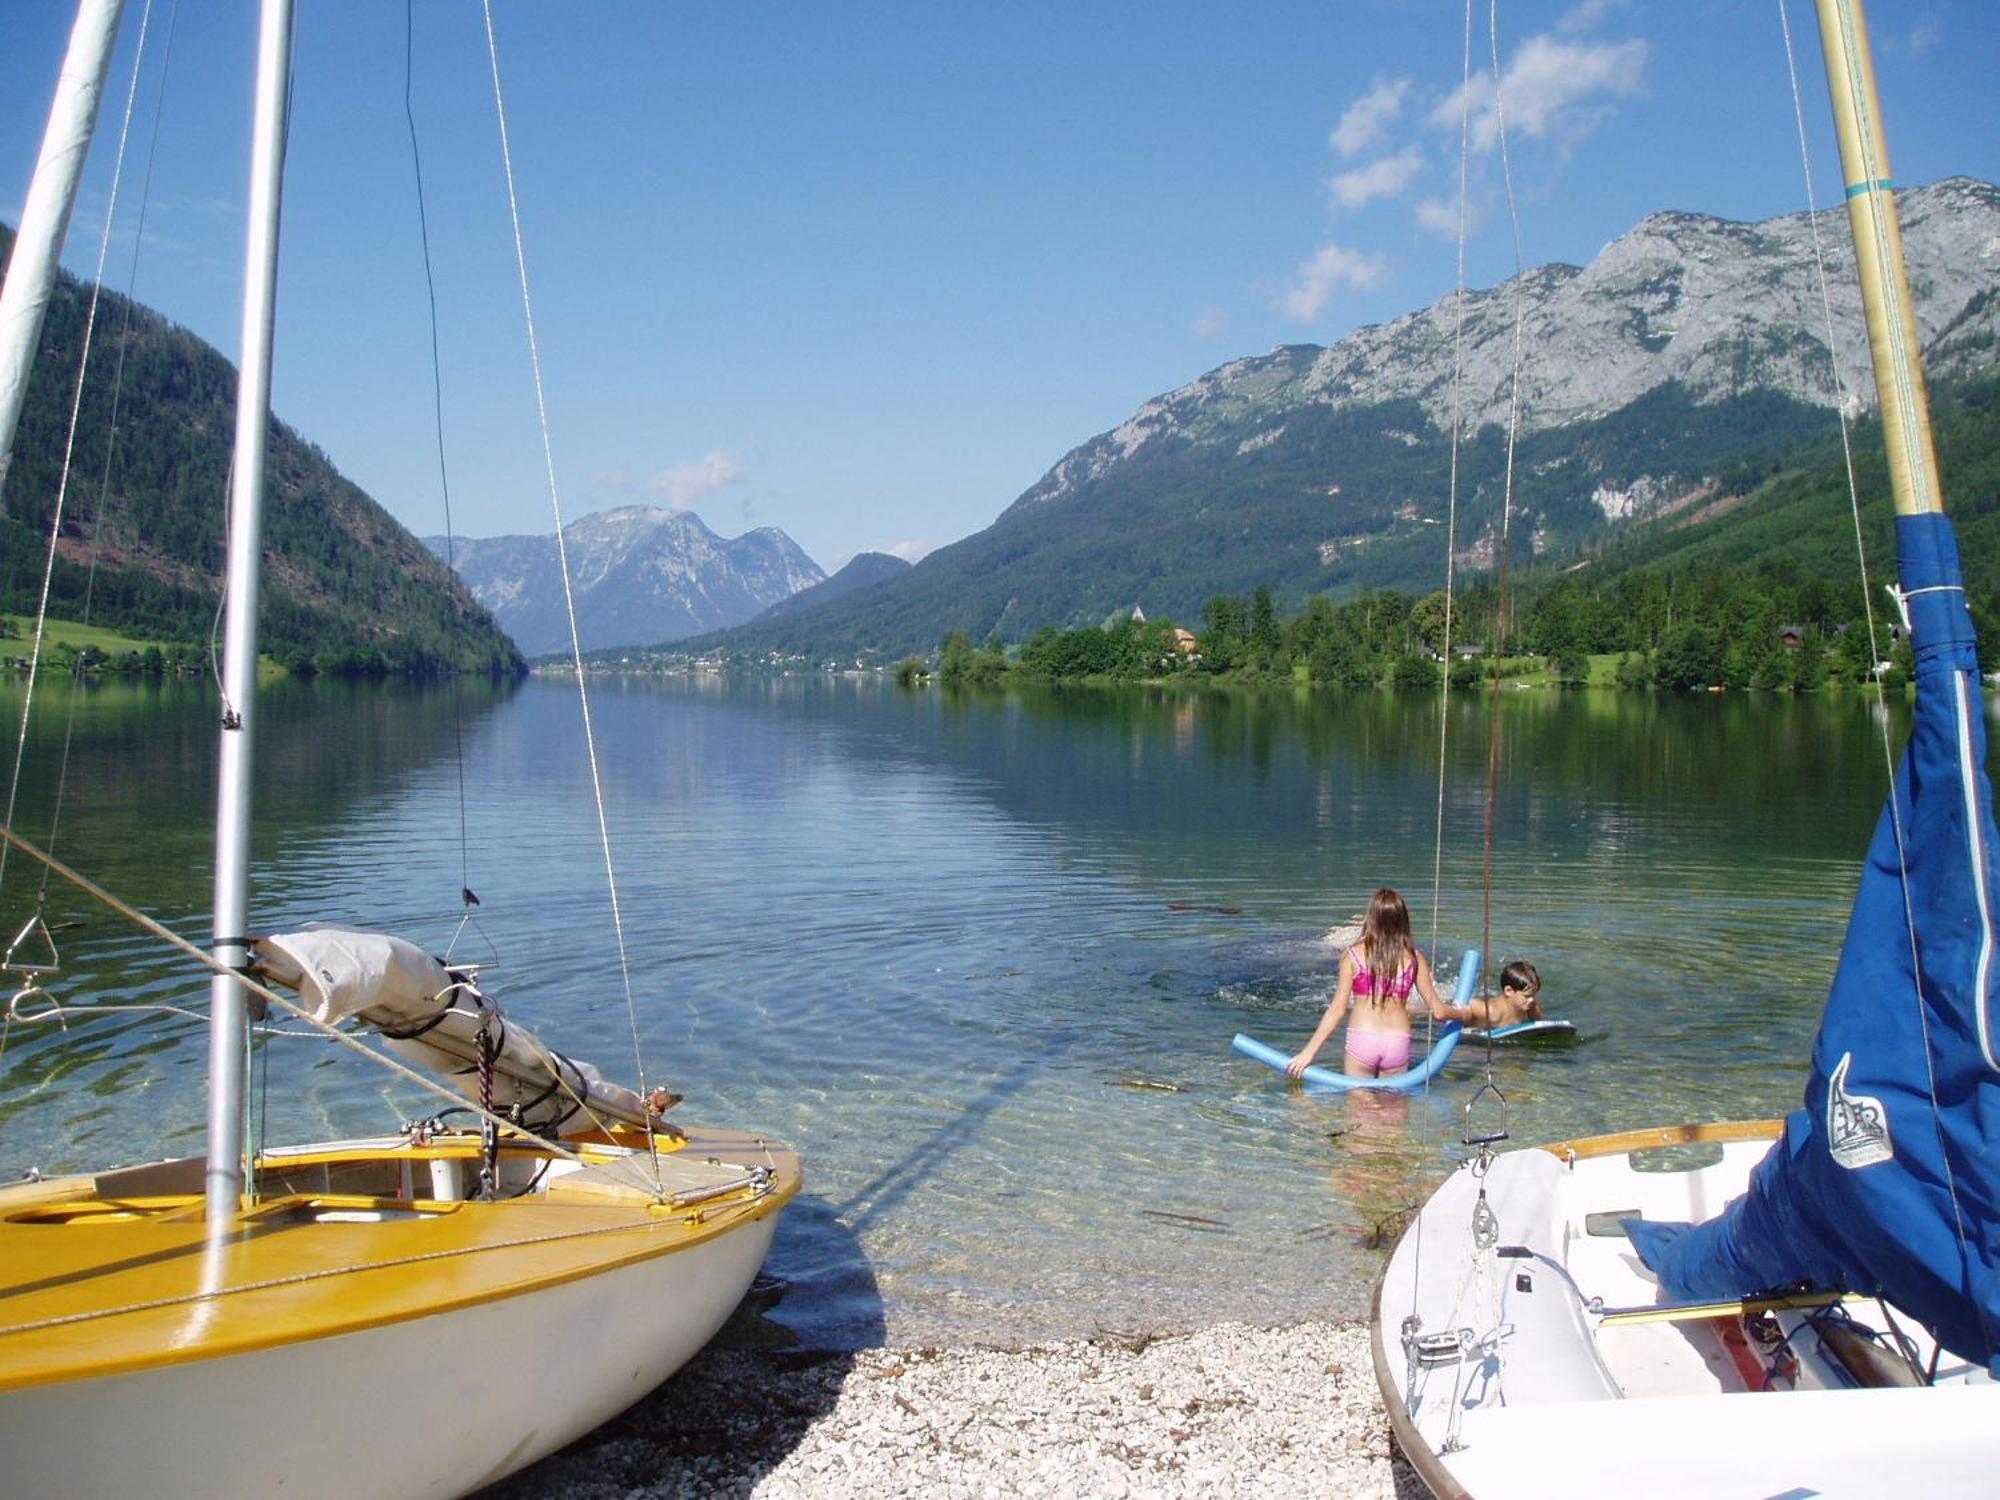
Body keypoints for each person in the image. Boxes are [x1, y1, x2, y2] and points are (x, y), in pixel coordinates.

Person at [1286, 888, 1455, 1079]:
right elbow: (1439, 1011)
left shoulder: (1352, 955)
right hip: (1397, 1042)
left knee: (1360, 1105)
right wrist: (1464, 1013)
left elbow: (1337, 1009)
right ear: (1403, 921)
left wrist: (1308, 1053)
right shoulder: (1415, 959)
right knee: (1394, 1105)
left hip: (1363, 1038)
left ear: (1371, 919)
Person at [1450, 959, 1543, 1030]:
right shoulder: (1491, 1012)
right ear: (1509, 991)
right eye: (1527, 996)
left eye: (1534, 995)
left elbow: (1538, 1021)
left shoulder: (1530, 1006)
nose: (1532, 1000)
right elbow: (1471, 1004)